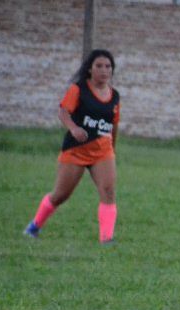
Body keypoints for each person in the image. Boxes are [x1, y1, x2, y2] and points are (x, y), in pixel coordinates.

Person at [23, 49, 121, 244]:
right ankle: (33, 227)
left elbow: (114, 124)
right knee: (60, 195)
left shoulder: (115, 96)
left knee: (108, 191)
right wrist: (74, 128)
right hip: (76, 150)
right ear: (90, 69)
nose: (104, 70)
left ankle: (106, 239)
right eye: (99, 66)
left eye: (108, 66)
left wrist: (113, 149)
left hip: (102, 151)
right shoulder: (78, 89)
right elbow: (63, 113)